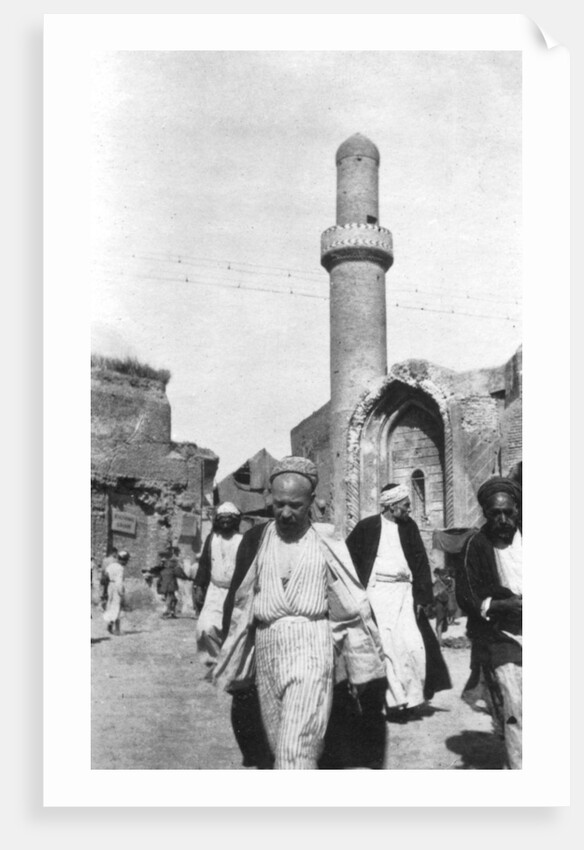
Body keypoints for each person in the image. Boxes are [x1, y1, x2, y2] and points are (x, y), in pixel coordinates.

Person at [213, 456, 386, 770]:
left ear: (311, 503)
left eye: (295, 505)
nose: (286, 513)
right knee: (281, 744)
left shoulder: (327, 542)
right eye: (279, 504)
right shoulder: (257, 540)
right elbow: (239, 603)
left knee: (297, 750)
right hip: (268, 648)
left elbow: (350, 607)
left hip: (311, 645)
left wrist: (358, 665)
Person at [346, 483, 451, 722]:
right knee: (387, 646)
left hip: (405, 593)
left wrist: (421, 597)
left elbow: (420, 562)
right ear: (392, 507)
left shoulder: (409, 527)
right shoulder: (367, 526)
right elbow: (348, 557)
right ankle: (394, 703)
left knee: (412, 646)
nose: (409, 510)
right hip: (378, 594)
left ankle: (412, 699)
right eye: (405, 506)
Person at [456, 476, 522, 769]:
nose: (503, 519)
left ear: (518, 509)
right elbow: (468, 595)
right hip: (502, 637)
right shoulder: (476, 546)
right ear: (486, 514)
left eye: (509, 512)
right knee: (518, 708)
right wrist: (501, 605)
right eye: (496, 514)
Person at [193, 503, 244, 666]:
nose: (225, 523)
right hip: (215, 591)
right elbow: (204, 565)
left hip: (235, 592)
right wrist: (199, 586)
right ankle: (215, 660)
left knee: (232, 629)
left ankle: (230, 663)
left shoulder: (242, 540)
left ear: (235, 521)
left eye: (229, 520)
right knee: (206, 627)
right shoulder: (212, 539)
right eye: (222, 520)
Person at [102, 549, 129, 636]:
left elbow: (105, 576)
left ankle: (110, 623)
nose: (126, 562)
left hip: (110, 586)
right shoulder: (120, 568)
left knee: (111, 605)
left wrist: (106, 589)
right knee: (118, 607)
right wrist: (121, 592)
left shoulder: (111, 565)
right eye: (126, 560)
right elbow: (119, 582)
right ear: (123, 560)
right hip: (117, 587)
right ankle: (117, 629)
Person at [157, 549, 189, 619]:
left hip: (166, 587)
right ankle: (165, 612)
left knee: (174, 599)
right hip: (170, 587)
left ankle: (171, 613)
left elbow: (159, 581)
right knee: (169, 600)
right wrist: (187, 578)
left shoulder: (163, 571)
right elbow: (180, 575)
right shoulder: (171, 570)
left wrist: (159, 588)